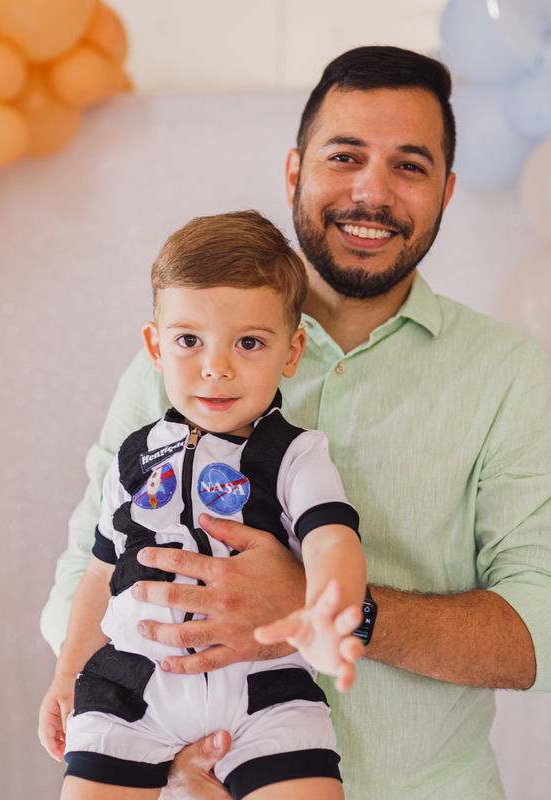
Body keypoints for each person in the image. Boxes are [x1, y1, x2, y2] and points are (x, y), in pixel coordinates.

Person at [41, 46, 551, 800]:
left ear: (446, 191)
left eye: (410, 165)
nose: (372, 193)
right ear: (294, 170)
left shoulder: (506, 373)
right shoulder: (181, 363)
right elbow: (89, 569)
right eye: (345, 156)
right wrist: (151, 743)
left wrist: (334, 607)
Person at [38, 210, 370, 800]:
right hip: (134, 689)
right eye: (189, 340)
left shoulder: (294, 454)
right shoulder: (133, 457)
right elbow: (99, 570)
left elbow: (332, 538)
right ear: (155, 347)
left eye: (248, 342)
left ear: (291, 353)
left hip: (264, 689)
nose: (216, 367)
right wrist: (69, 672)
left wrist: (328, 608)